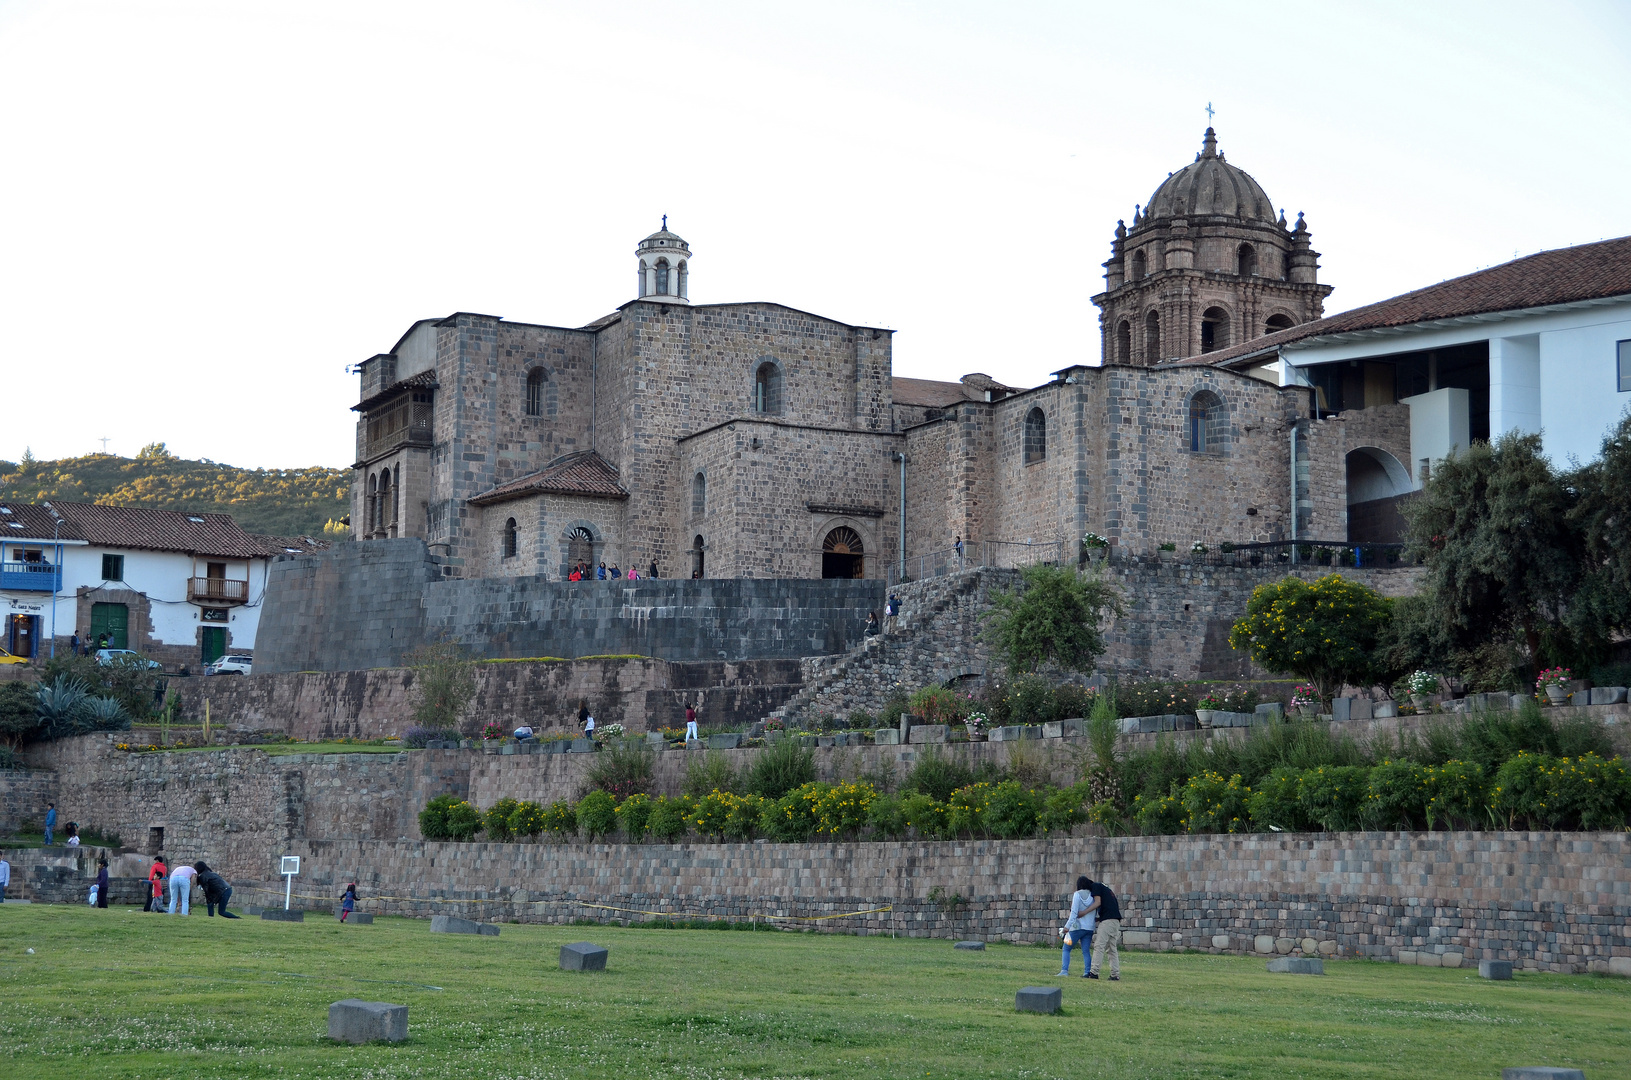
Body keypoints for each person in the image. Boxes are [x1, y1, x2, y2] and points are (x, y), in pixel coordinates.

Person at [1084, 876, 1123, 981]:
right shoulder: (1104, 887)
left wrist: (1084, 912)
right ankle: (1115, 974)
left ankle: (1094, 972)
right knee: (1111, 948)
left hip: (1108, 920)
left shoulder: (1095, 886)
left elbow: (1098, 902)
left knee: (1099, 946)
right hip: (1115, 920)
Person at [1057, 875, 1096, 976]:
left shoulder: (1077, 894)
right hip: (1089, 928)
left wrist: (1067, 927)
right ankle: (1087, 971)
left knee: (1066, 948)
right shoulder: (1093, 896)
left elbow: (1074, 912)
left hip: (1076, 928)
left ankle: (1064, 971)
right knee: (1085, 951)